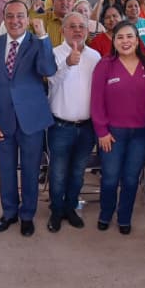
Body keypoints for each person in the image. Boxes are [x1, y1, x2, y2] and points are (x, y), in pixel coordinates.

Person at [0, 0, 57, 236]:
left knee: (30, 170)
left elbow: (48, 70)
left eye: (20, 16)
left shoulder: (38, 42)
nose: (15, 21)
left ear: (28, 18)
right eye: (10, 16)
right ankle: (9, 213)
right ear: (4, 19)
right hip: (2, 120)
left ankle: (27, 215)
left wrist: (43, 36)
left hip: (31, 120)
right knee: (5, 170)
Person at [90, 20, 145, 235]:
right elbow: (96, 101)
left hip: (141, 133)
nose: (125, 41)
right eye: (120, 37)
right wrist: (102, 131)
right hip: (112, 134)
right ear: (114, 41)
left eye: (129, 37)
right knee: (110, 177)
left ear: (137, 41)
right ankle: (105, 213)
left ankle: (124, 216)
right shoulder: (105, 65)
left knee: (130, 178)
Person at [45, 13, 100, 233]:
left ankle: (71, 207)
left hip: (86, 127)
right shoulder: (53, 53)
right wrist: (67, 64)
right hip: (60, 126)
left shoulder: (95, 56)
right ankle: (56, 211)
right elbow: (51, 82)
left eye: (81, 26)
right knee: (58, 173)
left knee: (78, 172)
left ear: (87, 30)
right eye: (72, 26)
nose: (77, 30)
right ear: (63, 30)